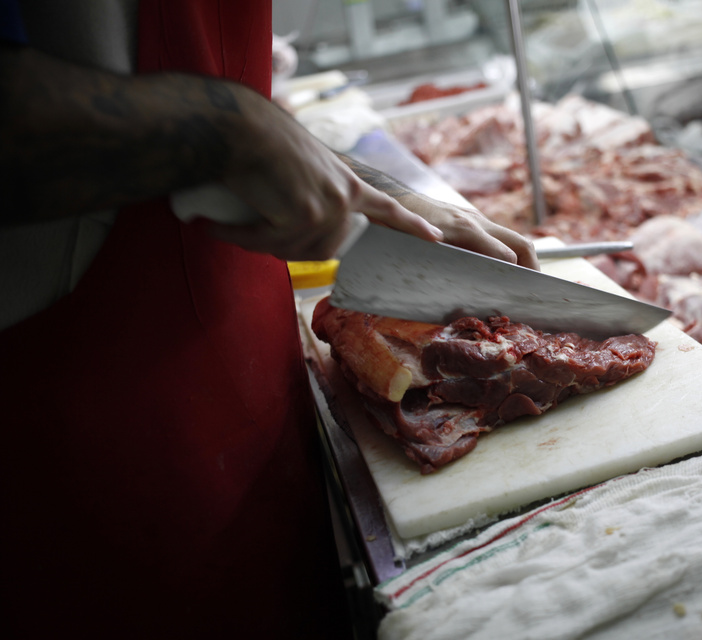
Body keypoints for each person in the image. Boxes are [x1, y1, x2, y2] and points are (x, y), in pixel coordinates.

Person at [0, 1, 537, 637]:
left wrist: (378, 193)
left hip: (250, 381)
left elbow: (191, 93)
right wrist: (231, 128)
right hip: (76, 438)